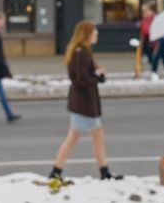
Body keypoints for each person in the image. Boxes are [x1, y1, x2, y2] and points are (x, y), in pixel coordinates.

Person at [50, 20, 117, 182]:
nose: (96, 36)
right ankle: (103, 171)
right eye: (94, 33)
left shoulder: (79, 51)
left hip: (81, 102)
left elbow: (82, 75)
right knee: (91, 136)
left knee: (77, 137)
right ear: (87, 35)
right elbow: (81, 79)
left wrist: (97, 74)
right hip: (84, 103)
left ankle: (57, 170)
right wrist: (97, 76)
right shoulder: (82, 52)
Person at [139, 1, 164, 79]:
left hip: (159, 40)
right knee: (155, 58)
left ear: (152, 11)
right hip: (150, 41)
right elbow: (143, 31)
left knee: (158, 57)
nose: (145, 12)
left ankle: (156, 73)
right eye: (144, 11)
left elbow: (156, 29)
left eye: (147, 10)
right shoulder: (145, 19)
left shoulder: (156, 18)